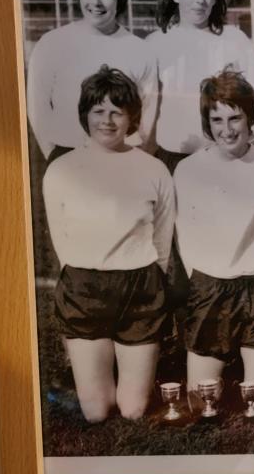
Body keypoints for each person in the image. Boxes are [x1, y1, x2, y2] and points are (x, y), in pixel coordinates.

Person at [43, 66, 174, 423]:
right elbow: (61, 242)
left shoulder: (154, 169)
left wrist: (150, 280)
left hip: (140, 289)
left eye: (118, 110)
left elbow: (162, 239)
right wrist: (85, 279)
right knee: (97, 412)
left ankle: (124, 364)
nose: (108, 120)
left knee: (133, 411)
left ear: (132, 116)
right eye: (98, 110)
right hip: (86, 289)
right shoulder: (62, 169)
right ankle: (88, 365)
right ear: (85, 114)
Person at [173, 70, 254, 397]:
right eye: (217, 120)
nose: (227, 129)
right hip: (210, 287)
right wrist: (207, 280)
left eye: (235, 118)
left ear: (250, 117)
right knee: (202, 399)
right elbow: (184, 236)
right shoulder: (188, 170)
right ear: (207, 123)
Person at [27, 0, 157, 161]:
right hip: (68, 154)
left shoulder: (140, 49)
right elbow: (38, 107)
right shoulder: (52, 43)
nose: (95, 2)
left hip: (122, 157)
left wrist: (137, 156)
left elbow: (147, 110)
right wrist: (51, 153)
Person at [148, 0, 254, 172]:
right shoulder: (155, 44)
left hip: (227, 158)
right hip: (173, 157)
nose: (199, 0)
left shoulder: (235, 40)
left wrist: (241, 149)